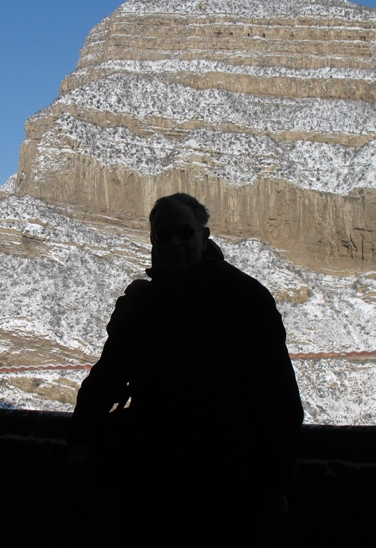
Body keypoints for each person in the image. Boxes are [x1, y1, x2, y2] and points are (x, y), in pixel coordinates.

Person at [67, 193, 304, 546]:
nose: (175, 242)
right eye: (164, 236)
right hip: (151, 478)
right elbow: (108, 377)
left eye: (185, 233)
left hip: (225, 479)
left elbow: (281, 402)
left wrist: (273, 485)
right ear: (153, 243)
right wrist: (80, 440)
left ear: (204, 236)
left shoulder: (245, 299)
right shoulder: (144, 305)